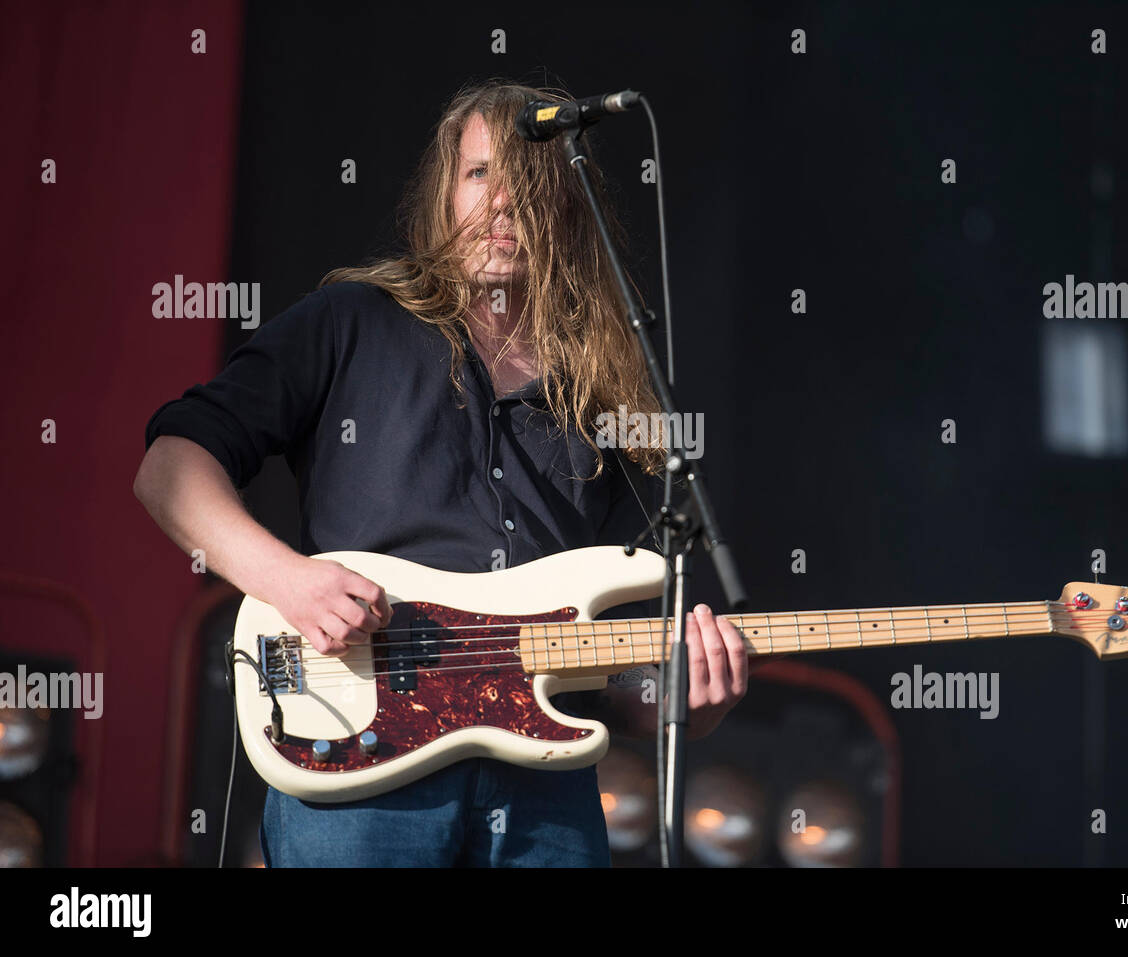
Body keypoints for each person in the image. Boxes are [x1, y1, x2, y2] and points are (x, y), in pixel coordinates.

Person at [132, 78, 748, 867]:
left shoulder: (608, 394)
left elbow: (610, 678)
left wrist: (684, 704)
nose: (502, 203)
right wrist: (288, 580)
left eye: (528, 183)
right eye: (481, 173)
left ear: (567, 207)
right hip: (358, 762)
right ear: (444, 192)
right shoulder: (351, 323)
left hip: (542, 797)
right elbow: (170, 466)